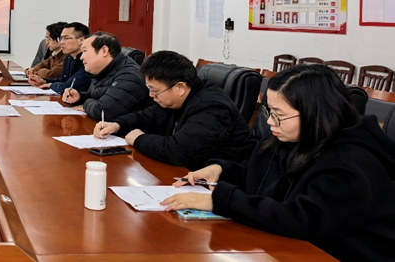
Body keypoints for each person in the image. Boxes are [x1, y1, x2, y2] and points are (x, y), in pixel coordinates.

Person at [164, 65, 395, 262]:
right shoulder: (294, 137)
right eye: (269, 111)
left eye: (279, 115)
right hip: (283, 246)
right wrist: (221, 170)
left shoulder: (351, 164)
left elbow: (304, 220)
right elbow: (265, 176)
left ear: (314, 113)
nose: (269, 122)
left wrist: (221, 200)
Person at [94, 50, 255, 169]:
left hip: (218, 185)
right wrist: (116, 125)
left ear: (180, 88)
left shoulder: (212, 108)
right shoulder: (174, 100)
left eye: (155, 91)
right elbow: (145, 117)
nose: (151, 95)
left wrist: (139, 139)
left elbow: (179, 152)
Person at [61, 32, 151, 121]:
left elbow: (103, 112)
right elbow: (95, 96)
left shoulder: (128, 76)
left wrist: (85, 105)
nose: (81, 57)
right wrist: (79, 97)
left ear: (104, 51)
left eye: (84, 51)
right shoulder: (103, 71)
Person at [29, 22, 90, 95]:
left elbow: (69, 87)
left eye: (66, 38)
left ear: (81, 40)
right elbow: (63, 80)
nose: (61, 42)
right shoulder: (69, 58)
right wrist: (45, 81)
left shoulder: (87, 61)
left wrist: (51, 85)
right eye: (61, 38)